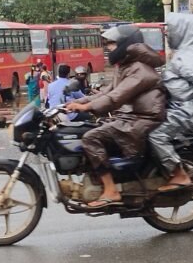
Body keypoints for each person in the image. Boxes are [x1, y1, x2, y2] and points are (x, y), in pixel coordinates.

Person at [64, 25, 166, 208]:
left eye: (112, 44)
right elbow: (106, 92)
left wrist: (86, 107)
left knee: (90, 138)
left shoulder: (140, 70)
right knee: (92, 128)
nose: (109, 48)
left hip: (143, 119)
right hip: (131, 116)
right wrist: (75, 103)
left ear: (126, 44)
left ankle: (111, 190)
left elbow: (116, 97)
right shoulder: (125, 67)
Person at [149, 13, 193, 193]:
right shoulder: (186, 54)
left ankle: (179, 174)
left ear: (183, 30)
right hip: (181, 109)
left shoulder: (191, 56)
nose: (167, 34)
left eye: (171, 29)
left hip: (187, 113)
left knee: (155, 134)